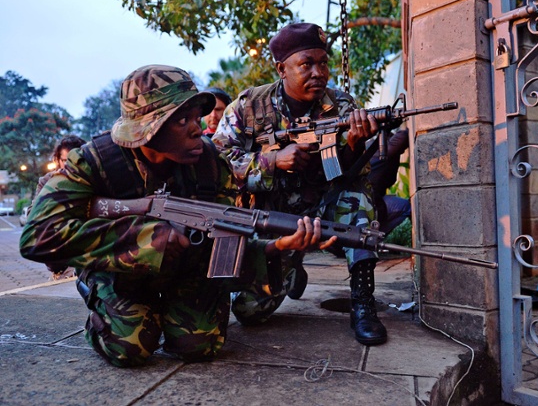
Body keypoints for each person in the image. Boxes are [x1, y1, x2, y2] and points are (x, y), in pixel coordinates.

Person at [20, 65, 335, 368]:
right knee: (129, 347)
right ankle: (103, 299)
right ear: (148, 129)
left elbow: (223, 249)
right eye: (182, 120)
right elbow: (37, 236)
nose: (198, 128)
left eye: (196, 117)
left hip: (186, 267)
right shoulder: (94, 162)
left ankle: (161, 307)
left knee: (199, 346)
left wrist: (277, 248)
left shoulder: (212, 164)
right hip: (118, 271)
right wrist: (145, 241)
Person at [212, 23, 387, 346]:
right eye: (306, 64)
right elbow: (217, 163)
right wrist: (272, 161)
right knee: (250, 313)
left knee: (357, 199)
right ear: (282, 69)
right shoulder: (248, 107)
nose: (319, 73)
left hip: (323, 205)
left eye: (323, 63)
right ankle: (292, 267)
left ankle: (363, 302)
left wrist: (354, 144)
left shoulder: (341, 105)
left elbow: (350, 173)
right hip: (274, 220)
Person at [33, 134, 86, 279]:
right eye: (65, 161)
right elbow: (33, 215)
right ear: (58, 160)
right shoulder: (47, 181)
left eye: (75, 160)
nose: (70, 165)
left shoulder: (93, 178)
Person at [368, 128, 412, 235]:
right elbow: (403, 137)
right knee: (406, 207)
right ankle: (373, 240)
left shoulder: (366, 147)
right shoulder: (379, 149)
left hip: (361, 204)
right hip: (368, 206)